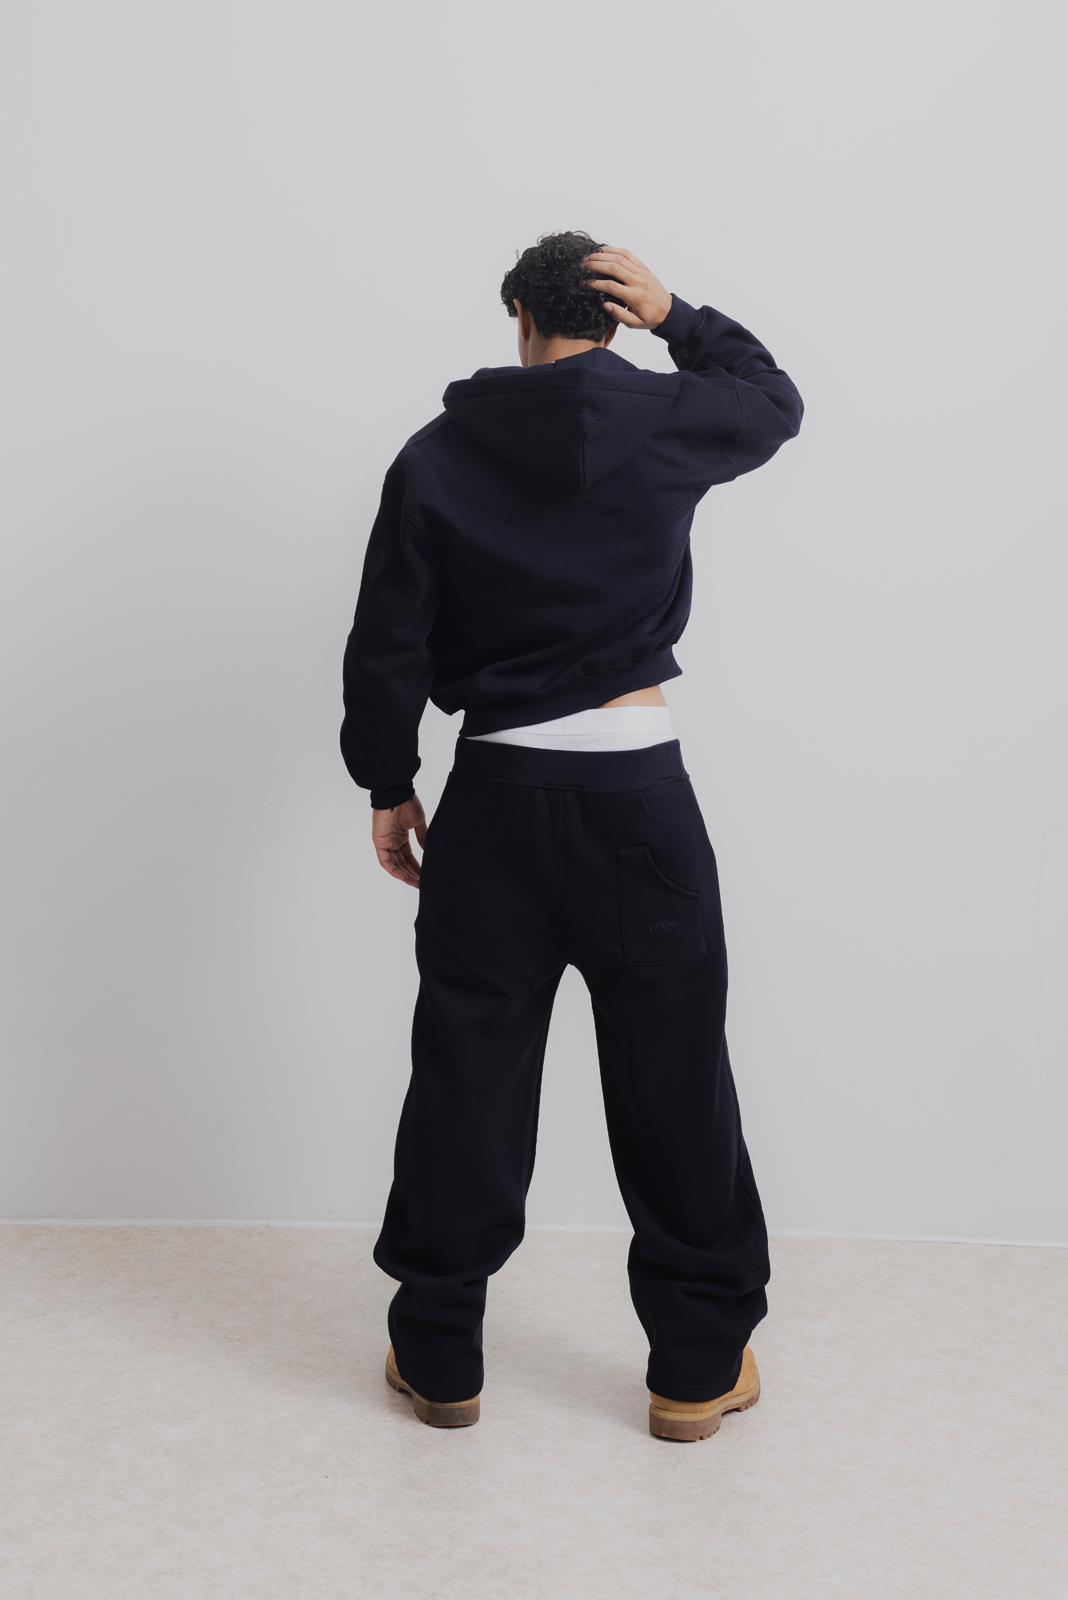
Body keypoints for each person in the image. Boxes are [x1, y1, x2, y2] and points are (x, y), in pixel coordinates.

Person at [339, 232, 803, 1441]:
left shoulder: (437, 454)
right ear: (613, 313)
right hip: (640, 800)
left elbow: (387, 641)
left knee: (467, 1077)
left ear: (516, 309)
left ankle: (440, 1354)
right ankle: (694, 1367)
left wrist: (388, 783)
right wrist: (679, 314)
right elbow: (775, 402)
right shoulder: (671, 420)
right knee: (675, 1080)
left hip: (493, 804)